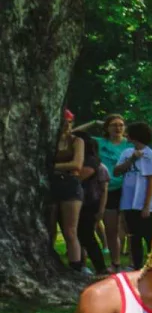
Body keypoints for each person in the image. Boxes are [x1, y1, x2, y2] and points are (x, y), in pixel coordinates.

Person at [114, 122, 152, 271]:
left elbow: (151, 180)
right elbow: (117, 171)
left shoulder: (150, 155)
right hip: (129, 200)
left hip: (143, 201)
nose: (126, 135)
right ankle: (136, 264)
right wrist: (132, 159)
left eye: (129, 133)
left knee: (147, 233)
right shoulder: (127, 152)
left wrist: (146, 206)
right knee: (133, 234)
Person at [51, 110, 86, 272]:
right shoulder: (50, 141)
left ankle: (76, 266)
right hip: (52, 186)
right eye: (63, 122)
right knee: (49, 228)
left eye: (69, 122)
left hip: (70, 186)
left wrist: (52, 167)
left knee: (70, 230)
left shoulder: (76, 141)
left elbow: (76, 165)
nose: (66, 125)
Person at [72, 131, 111, 274]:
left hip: (89, 204)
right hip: (80, 203)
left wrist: (101, 210)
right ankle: (81, 264)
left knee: (87, 236)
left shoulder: (97, 166)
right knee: (79, 235)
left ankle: (100, 267)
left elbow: (103, 191)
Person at [94, 114, 130, 271]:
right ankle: (115, 262)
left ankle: (134, 262)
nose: (118, 128)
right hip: (108, 189)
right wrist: (93, 122)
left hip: (128, 189)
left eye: (121, 125)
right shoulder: (100, 143)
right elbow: (72, 134)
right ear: (106, 128)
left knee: (131, 228)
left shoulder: (130, 144)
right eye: (114, 125)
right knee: (111, 227)